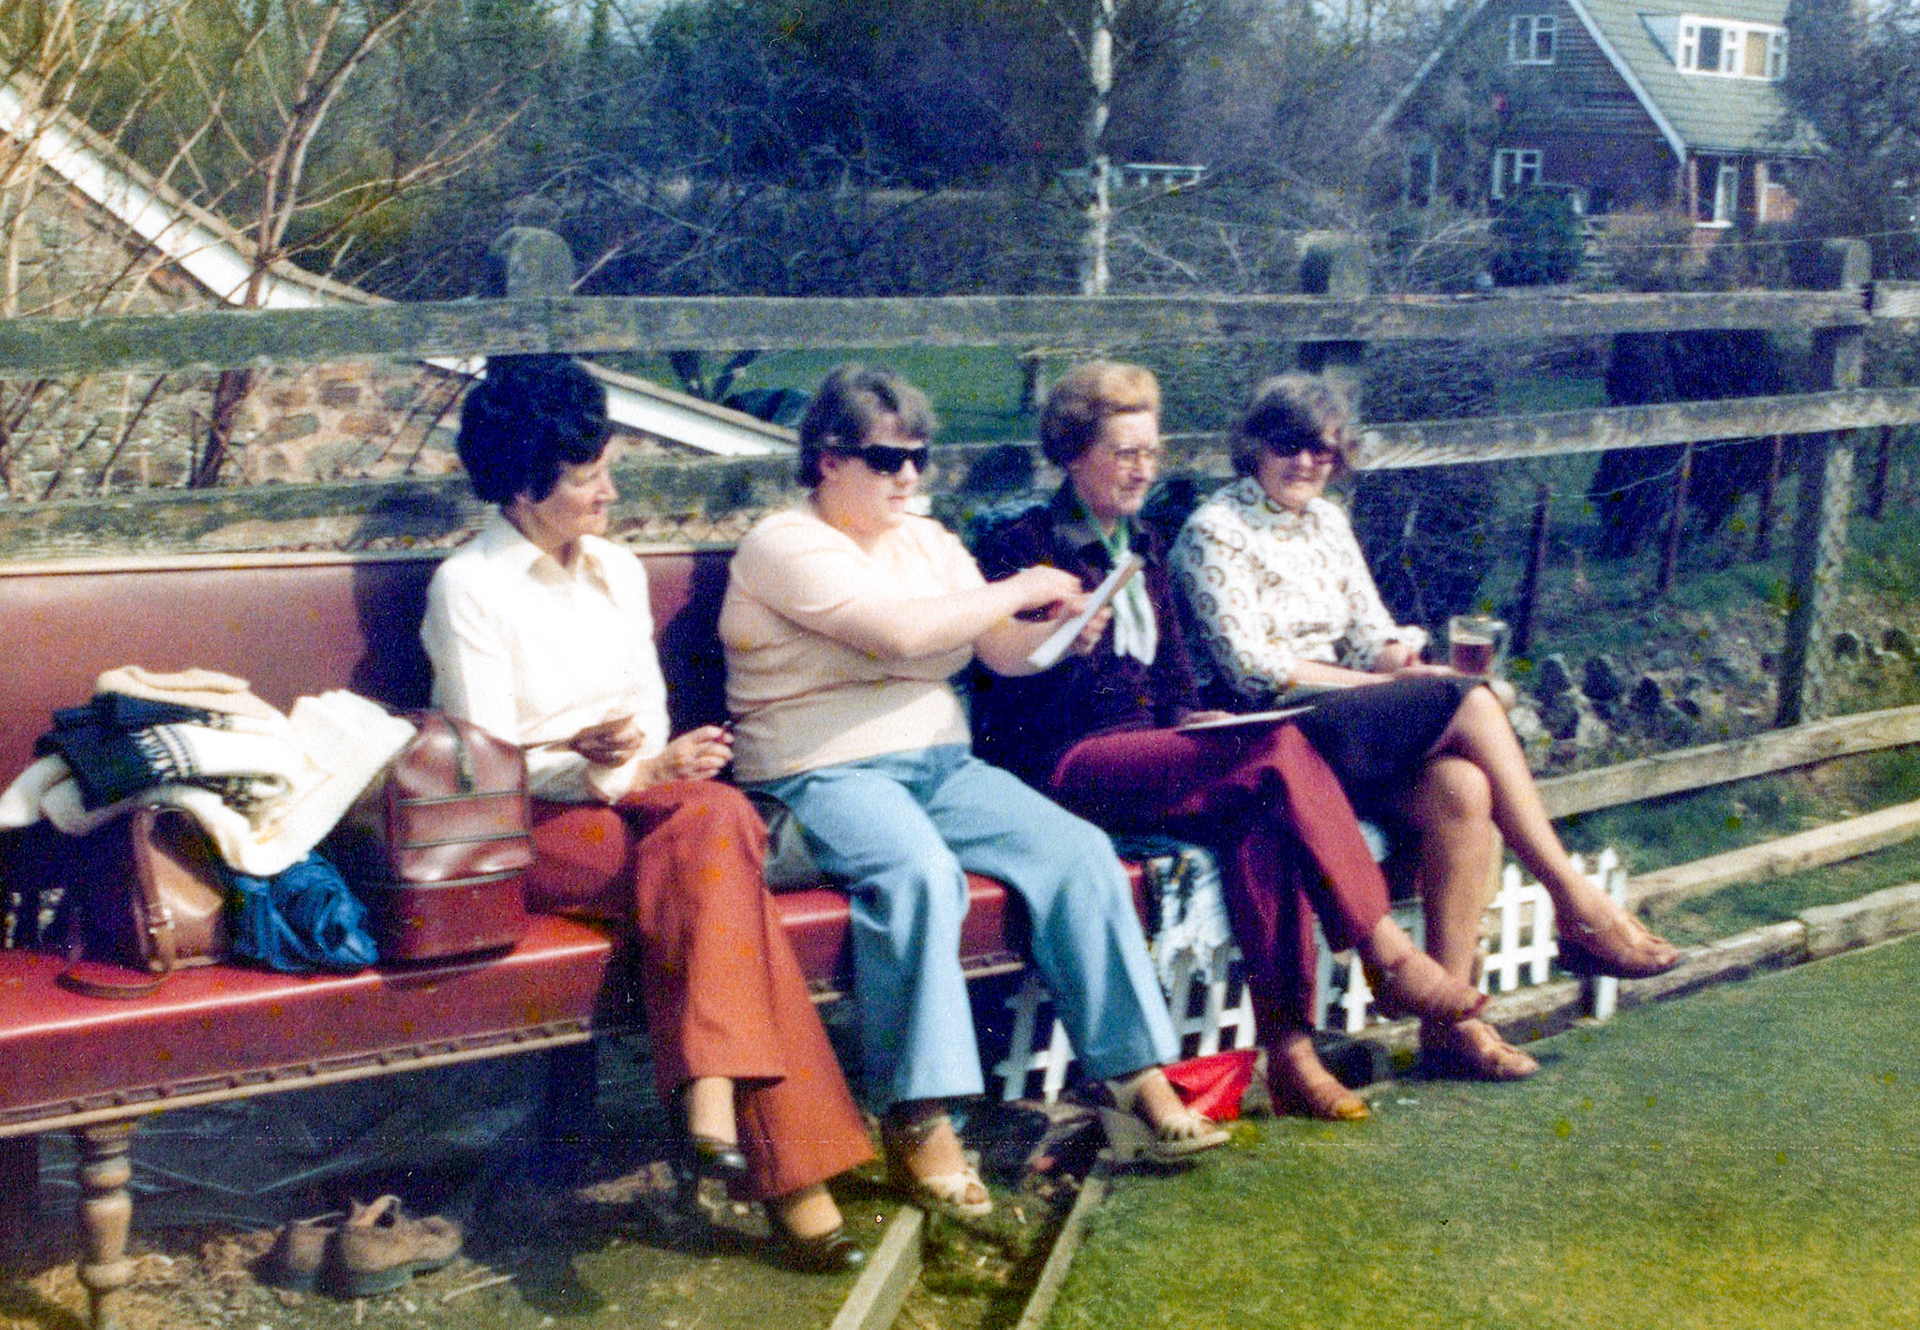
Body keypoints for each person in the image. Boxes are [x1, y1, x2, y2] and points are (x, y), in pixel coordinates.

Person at [720, 364, 1227, 1221]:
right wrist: (1024, 586)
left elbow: (997, 653)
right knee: (917, 874)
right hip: (821, 769)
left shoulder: (924, 540)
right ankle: (922, 1116)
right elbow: (900, 631)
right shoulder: (785, 543)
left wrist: (1063, 633)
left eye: (916, 458)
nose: (908, 477)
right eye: (886, 459)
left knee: (1075, 851)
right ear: (827, 459)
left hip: (938, 764)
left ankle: (1133, 1076)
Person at [420, 355, 872, 1272]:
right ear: (521, 484)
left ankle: (720, 1091)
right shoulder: (469, 587)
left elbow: (649, 714)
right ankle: (779, 1165)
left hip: (641, 804)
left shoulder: (618, 571)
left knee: (713, 822)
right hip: (533, 824)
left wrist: (656, 763)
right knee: (721, 850)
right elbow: (487, 757)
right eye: (588, 478)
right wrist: (596, 769)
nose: (609, 493)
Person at [971, 361, 1487, 1122]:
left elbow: (1176, 679)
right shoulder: (1024, 544)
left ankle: (1291, 1054)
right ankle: (1388, 953)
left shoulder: (1141, 541)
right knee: (1278, 754)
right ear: (1073, 453)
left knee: (1263, 808)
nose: (1143, 468)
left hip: (1155, 751)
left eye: (1152, 451)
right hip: (1066, 762)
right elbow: (1005, 694)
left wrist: (1201, 722)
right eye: (1123, 452)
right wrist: (1063, 641)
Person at [1173, 371, 1683, 1080]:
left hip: (1347, 716)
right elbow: (1254, 667)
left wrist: (1399, 659)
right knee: (1472, 702)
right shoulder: (1215, 531)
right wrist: (1391, 686)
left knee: (1463, 787)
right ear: (1252, 445)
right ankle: (1578, 904)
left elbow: (1367, 631)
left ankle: (1454, 1025)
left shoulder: (1327, 521)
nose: (1309, 463)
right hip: (1272, 729)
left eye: (1326, 450)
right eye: (1291, 446)